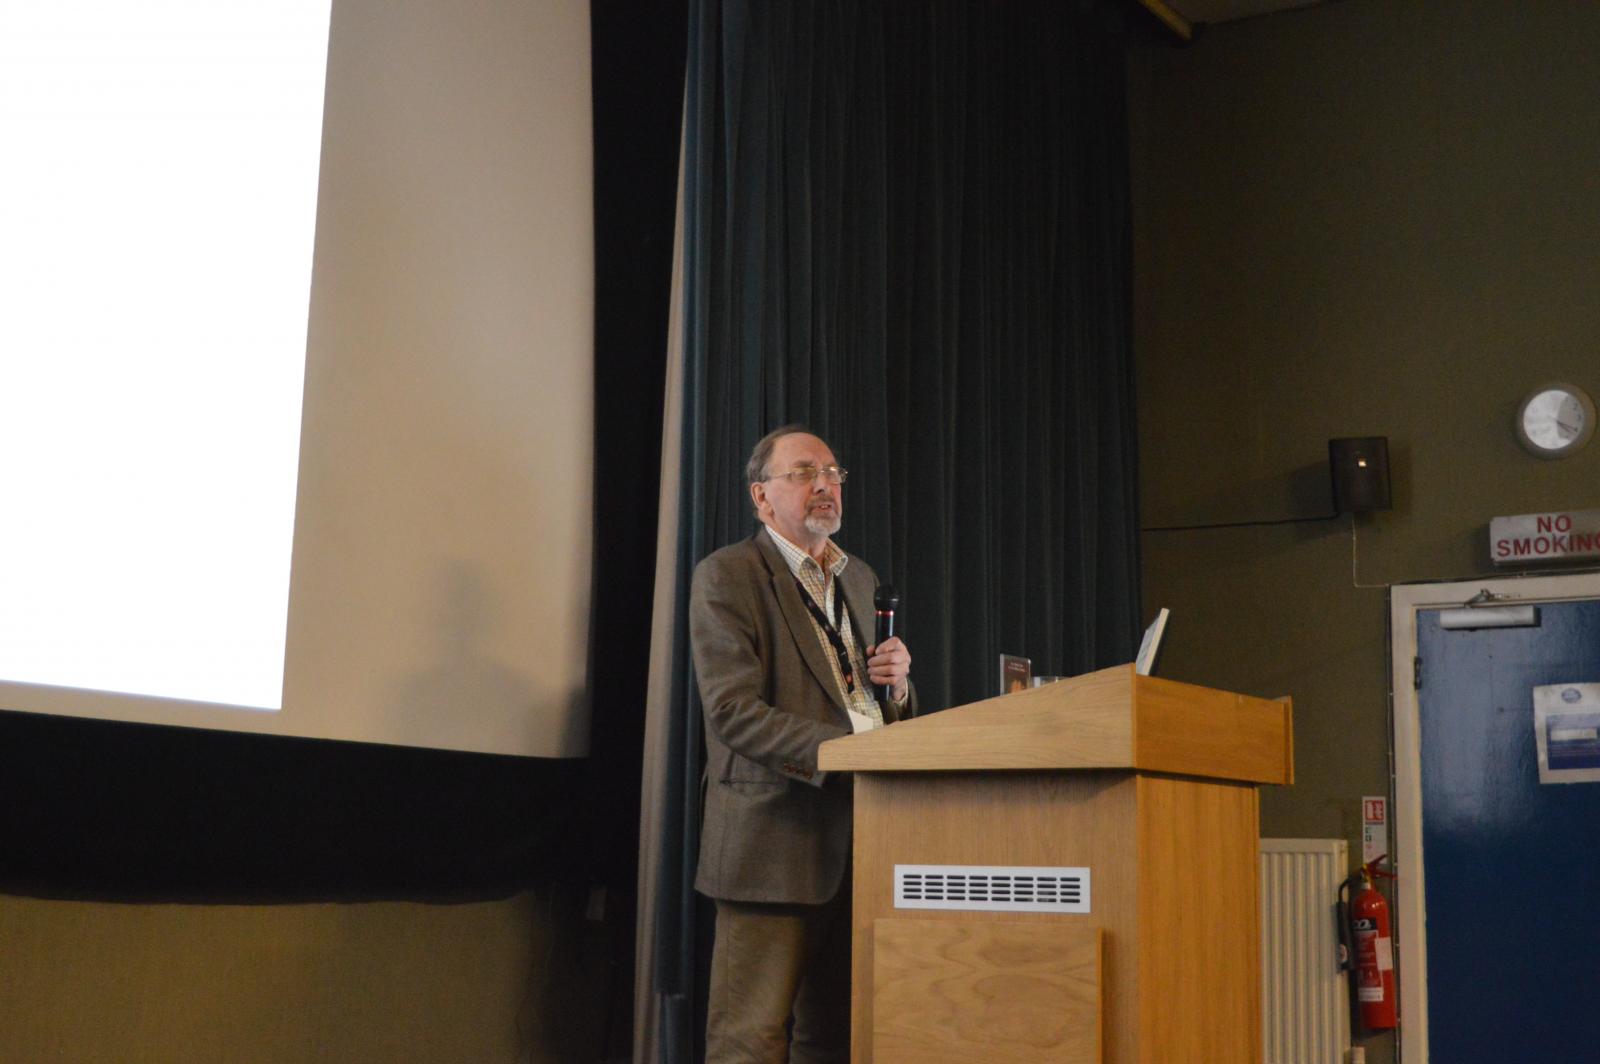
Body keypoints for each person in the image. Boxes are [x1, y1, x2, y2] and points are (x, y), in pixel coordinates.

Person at [690, 425, 915, 1064]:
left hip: (861, 842)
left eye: (834, 473)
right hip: (772, 841)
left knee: (839, 1038)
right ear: (761, 498)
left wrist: (897, 690)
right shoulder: (729, 576)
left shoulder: (862, 579)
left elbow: (870, 708)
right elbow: (733, 713)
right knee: (750, 1040)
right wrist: (852, 751)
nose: (825, 484)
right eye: (804, 472)